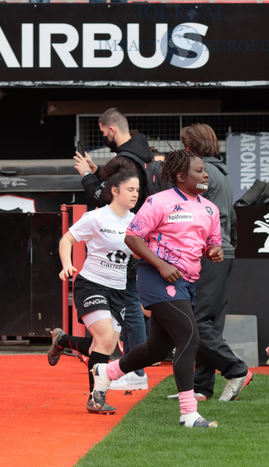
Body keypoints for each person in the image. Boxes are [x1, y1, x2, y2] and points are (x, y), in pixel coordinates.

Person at [89, 149, 223, 429]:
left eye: (205, 171)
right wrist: (161, 265)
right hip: (157, 278)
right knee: (189, 337)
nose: (206, 175)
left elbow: (212, 243)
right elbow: (132, 238)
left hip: (186, 281)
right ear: (180, 176)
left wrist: (214, 251)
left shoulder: (210, 209)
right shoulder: (159, 202)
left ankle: (106, 372)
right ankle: (189, 414)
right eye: (199, 171)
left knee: (158, 348)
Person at [73, 109, 166, 387]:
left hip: (126, 240)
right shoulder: (143, 154)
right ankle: (130, 369)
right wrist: (94, 172)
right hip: (136, 238)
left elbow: (104, 197)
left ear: (111, 130)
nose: (104, 137)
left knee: (131, 308)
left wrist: (86, 175)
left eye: (103, 133)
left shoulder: (125, 160)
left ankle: (135, 372)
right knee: (127, 309)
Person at [46, 158, 140, 414]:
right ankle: (96, 398)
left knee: (104, 346)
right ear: (115, 190)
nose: (135, 194)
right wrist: (67, 265)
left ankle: (62, 340)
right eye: (130, 189)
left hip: (119, 290)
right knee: (105, 337)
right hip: (91, 284)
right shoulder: (96, 217)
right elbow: (66, 240)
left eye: (137, 190)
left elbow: (140, 253)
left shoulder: (136, 221)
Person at [178, 123, 252, 402]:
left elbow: (193, 214)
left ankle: (236, 369)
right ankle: (201, 387)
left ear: (190, 147)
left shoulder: (202, 173)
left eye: (184, 146)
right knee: (209, 322)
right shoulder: (222, 172)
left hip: (209, 253)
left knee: (195, 321)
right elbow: (230, 217)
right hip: (222, 251)